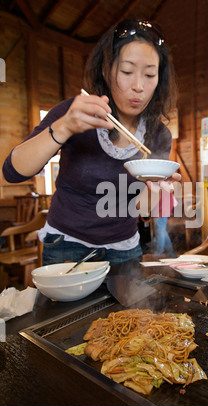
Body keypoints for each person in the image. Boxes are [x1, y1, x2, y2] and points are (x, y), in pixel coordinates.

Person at [2, 19, 180, 266]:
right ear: (107, 70)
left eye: (150, 75)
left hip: (124, 249)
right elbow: (12, 171)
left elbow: (139, 208)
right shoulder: (74, 113)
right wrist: (64, 127)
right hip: (66, 246)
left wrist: (155, 192)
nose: (139, 86)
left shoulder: (159, 134)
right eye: (127, 72)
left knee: (136, 306)